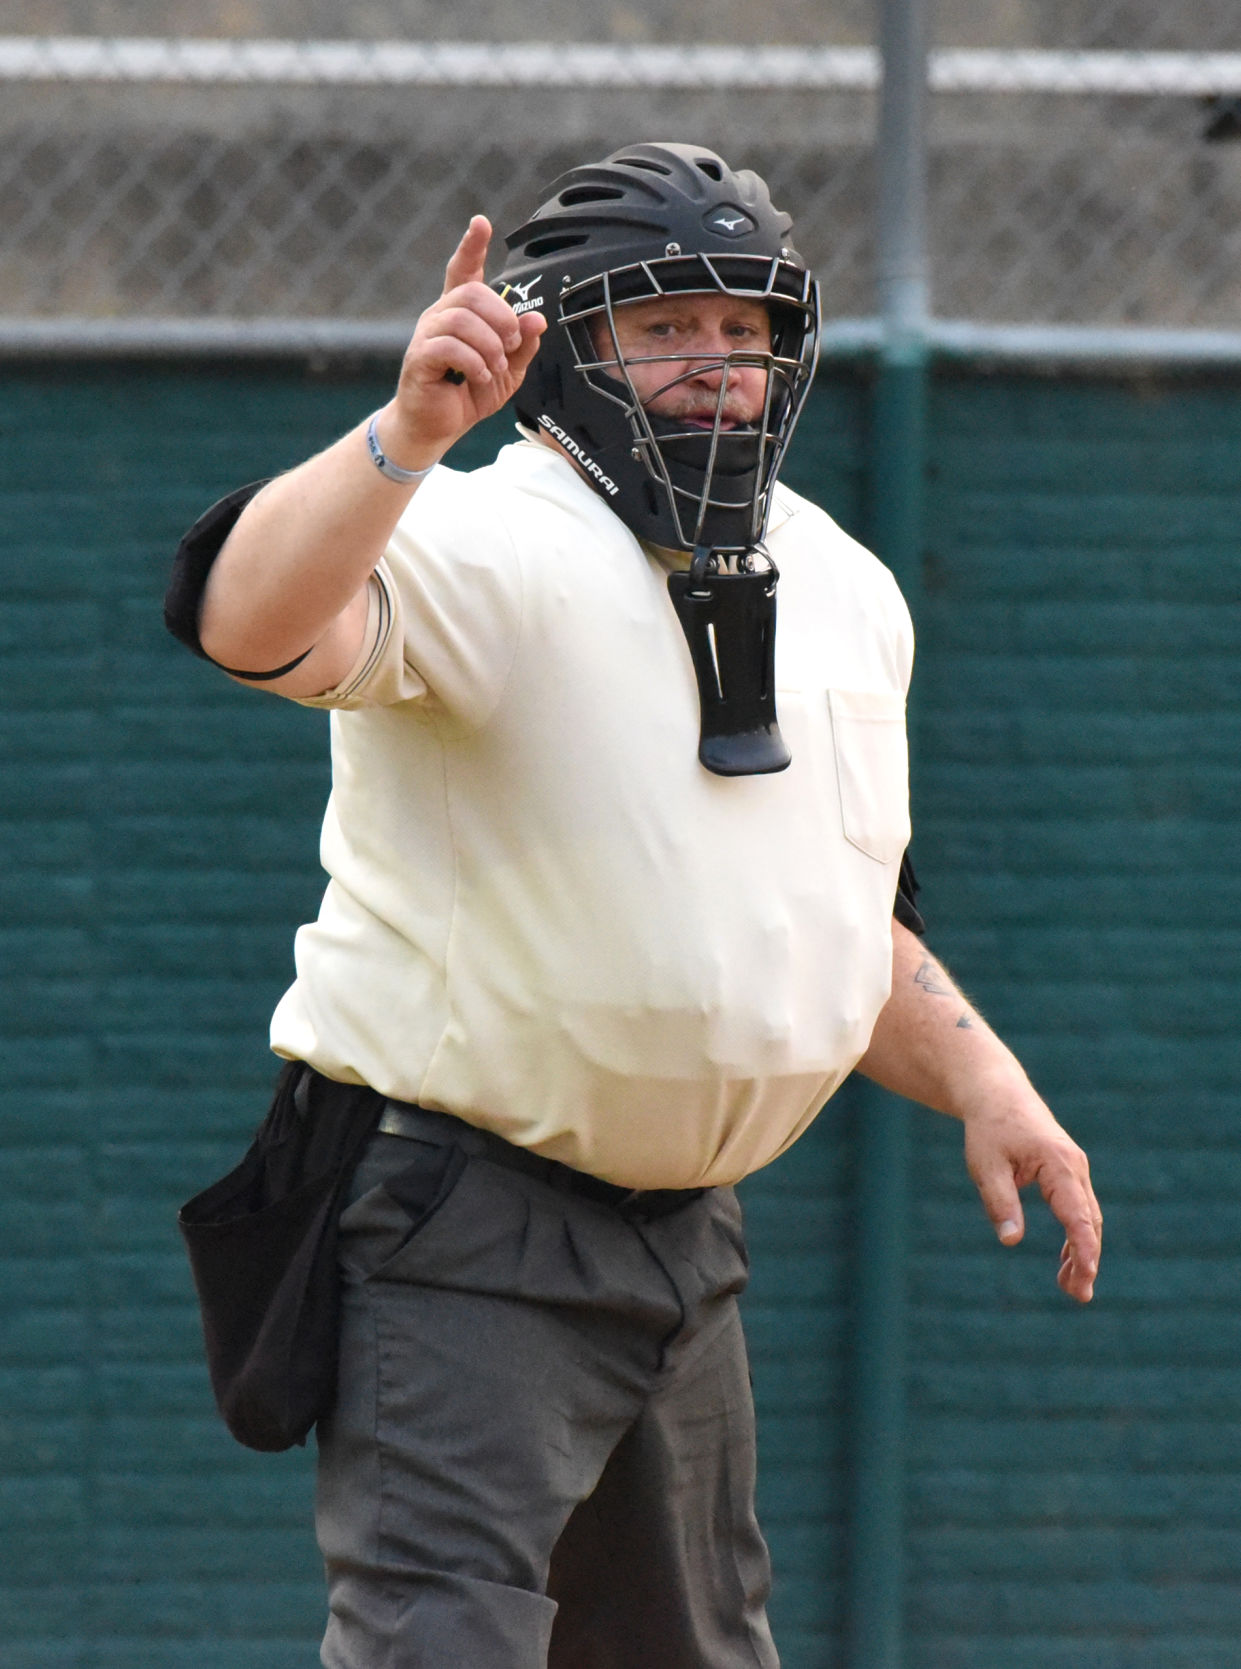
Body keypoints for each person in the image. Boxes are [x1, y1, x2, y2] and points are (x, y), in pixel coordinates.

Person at [166, 143, 1101, 1669]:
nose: (716, 364)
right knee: (437, 1641)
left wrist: (988, 1082)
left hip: (689, 1244)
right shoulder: (475, 533)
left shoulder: (847, 582)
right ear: (558, 346)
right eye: (664, 327)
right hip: (468, 1219)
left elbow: (836, 911)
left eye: (744, 328)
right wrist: (404, 437)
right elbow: (242, 623)